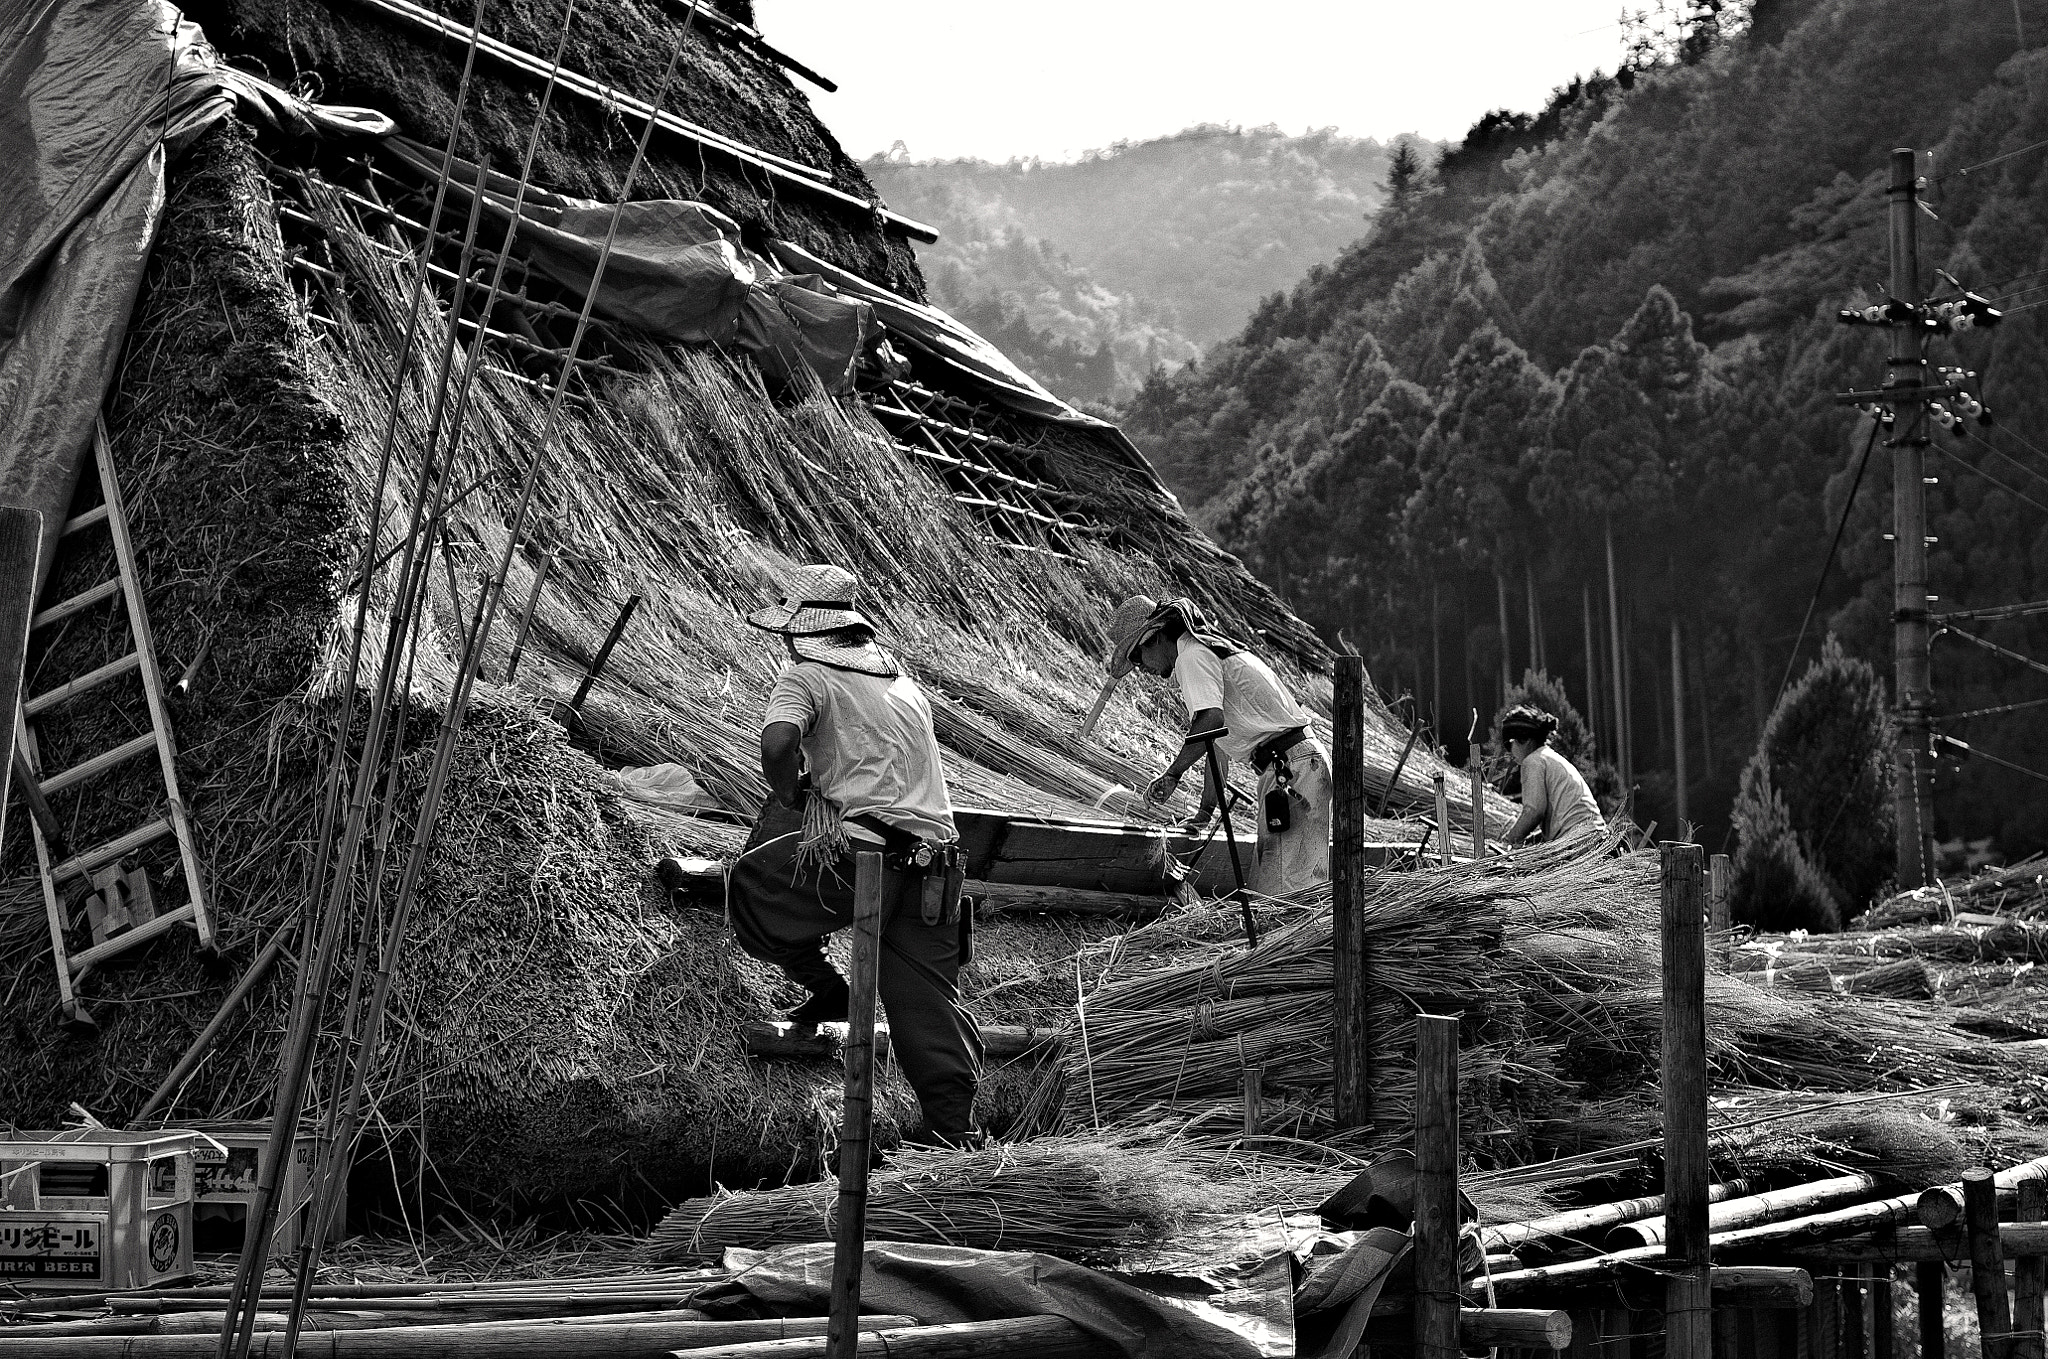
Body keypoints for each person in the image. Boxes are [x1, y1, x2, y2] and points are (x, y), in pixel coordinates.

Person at [725, 564, 982, 1145]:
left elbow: (778, 742)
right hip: (936, 866)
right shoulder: (901, 685)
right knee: (928, 1005)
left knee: (750, 886)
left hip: (864, 862)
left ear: (803, 633)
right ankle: (957, 1140)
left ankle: (826, 985)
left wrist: (791, 796)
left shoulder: (805, 677)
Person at [1099, 594, 1332, 896]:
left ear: (1153, 639)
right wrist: (1205, 811)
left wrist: (1174, 773)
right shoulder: (1208, 652)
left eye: (1136, 657)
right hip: (1293, 767)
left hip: (1294, 771)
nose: (1141, 668)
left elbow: (1209, 721)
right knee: (1278, 888)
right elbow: (1216, 744)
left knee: (1289, 893)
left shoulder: (1193, 656)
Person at [1499, 705, 1604, 847]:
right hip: (1593, 836)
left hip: (1579, 842)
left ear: (1525, 740)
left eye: (1509, 744)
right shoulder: (1548, 757)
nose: (1510, 752)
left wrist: (1507, 840)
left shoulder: (1533, 761)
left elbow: (1534, 811)